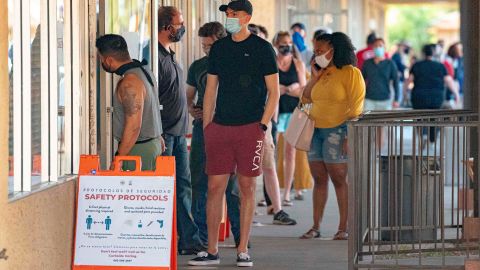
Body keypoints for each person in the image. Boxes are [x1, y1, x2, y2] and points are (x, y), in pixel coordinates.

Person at [188, 0, 279, 267]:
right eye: (227, 13)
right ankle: (213, 250)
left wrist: (262, 125)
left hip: (251, 127)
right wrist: (208, 125)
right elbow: (211, 89)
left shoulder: (262, 49)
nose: (229, 17)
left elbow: (273, 91)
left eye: (234, 13)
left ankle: (242, 249)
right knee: (215, 188)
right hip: (220, 127)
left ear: (247, 17)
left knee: (247, 188)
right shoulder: (219, 49)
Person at [300, 32, 365, 240]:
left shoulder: (351, 73)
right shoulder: (320, 72)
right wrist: (314, 78)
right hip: (315, 130)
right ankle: (315, 226)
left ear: (333, 50)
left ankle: (343, 227)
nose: (317, 54)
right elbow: (305, 99)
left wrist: (349, 135)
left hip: (338, 131)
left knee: (339, 179)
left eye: (320, 50)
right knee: (319, 179)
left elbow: (356, 106)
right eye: (315, 50)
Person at [186, 21, 242, 248]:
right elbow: (188, 96)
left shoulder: (238, 63)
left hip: (231, 125)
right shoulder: (198, 66)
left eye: (210, 46)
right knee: (199, 181)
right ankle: (200, 238)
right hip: (204, 127)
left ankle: (241, 238)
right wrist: (192, 109)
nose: (207, 50)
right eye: (204, 46)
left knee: (233, 185)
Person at [157, 6, 204, 255]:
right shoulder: (153, 57)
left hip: (178, 131)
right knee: (167, 188)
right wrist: (157, 134)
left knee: (184, 185)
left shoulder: (170, 55)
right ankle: (165, 240)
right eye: (179, 24)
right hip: (163, 135)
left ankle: (188, 239)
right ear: (167, 28)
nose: (182, 28)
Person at [96, 34, 164, 171]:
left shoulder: (129, 83)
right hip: (151, 143)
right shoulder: (145, 71)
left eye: (100, 59)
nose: (101, 63)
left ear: (109, 60)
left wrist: (119, 157)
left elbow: (134, 127)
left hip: (138, 149)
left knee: (137, 191)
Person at [273, 31, 307, 205]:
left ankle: (287, 192)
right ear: (276, 45)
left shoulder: (298, 64)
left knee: (290, 152)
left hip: (293, 112)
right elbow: (267, 87)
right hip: (275, 112)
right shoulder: (271, 63)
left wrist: (286, 89)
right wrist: (285, 89)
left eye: (289, 43)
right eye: (282, 43)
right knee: (271, 152)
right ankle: (271, 193)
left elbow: (304, 89)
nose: (286, 46)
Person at [404, 44, 459, 145]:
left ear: (423, 53)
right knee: (434, 117)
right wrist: (456, 94)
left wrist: (404, 94)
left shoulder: (417, 65)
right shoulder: (440, 66)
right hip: (436, 97)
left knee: (419, 116)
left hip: (419, 96)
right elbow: (448, 80)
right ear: (433, 53)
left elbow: (409, 80)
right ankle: (432, 140)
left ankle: (423, 135)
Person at [362, 38, 399, 147]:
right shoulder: (367, 63)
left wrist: (396, 99)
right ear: (373, 48)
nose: (378, 48)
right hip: (369, 99)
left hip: (385, 100)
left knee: (381, 127)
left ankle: (378, 152)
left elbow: (396, 81)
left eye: (380, 45)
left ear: (384, 48)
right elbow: (361, 80)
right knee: (367, 126)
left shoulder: (390, 63)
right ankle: (368, 151)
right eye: (376, 46)